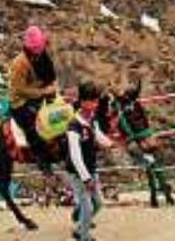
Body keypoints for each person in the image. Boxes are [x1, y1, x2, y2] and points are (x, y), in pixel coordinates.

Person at [65, 82, 114, 241]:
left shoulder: (92, 119)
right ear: (83, 101)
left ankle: (79, 230)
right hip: (78, 174)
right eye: (93, 101)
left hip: (92, 169)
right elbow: (75, 155)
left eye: (96, 101)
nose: (96, 104)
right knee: (88, 207)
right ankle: (84, 237)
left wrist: (110, 142)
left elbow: (98, 134)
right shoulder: (74, 126)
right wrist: (86, 178)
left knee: (98, 204)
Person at [8, 24, 58, 172]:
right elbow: (20, 89)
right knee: (33, 123)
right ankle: (41, 157)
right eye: (34, 50)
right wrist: (43, 92)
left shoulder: (44, 57)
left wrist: (53, 88)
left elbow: (51, 76)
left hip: (42, 93)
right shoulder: (19, 63)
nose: (37, 53)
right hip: (20, 101)